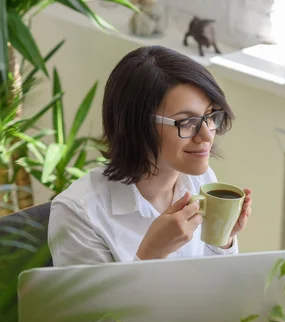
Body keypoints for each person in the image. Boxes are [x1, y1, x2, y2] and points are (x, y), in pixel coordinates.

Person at [48, 45, 252, 266]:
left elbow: (217, 289)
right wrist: (152, 253)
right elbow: (94, 302)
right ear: (137, 125)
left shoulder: (200, 181)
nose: (206, 135)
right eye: (187, 122)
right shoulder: (79, 214)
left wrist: (223, 240)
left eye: (211, 116)